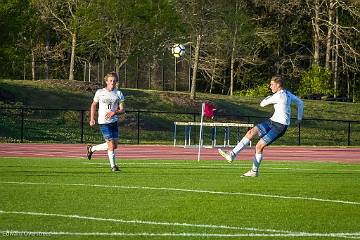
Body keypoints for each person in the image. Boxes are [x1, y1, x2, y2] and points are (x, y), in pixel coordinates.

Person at [218, 75, 304, 177]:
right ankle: (232, 154)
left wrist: (268, 97)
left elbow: (262, 104)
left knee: (259, 146)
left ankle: (254, 171)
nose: (270, 87)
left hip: (280, 127)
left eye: (272, 84)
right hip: (272, 121)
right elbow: (300, 102)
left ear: (278, 85)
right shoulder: (287, 93)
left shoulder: (278, 96)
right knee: (251, 132)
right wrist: (299, 118)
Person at [87, 71, 125, 172]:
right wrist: (92, 118)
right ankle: (113, 166)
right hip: (103, 122)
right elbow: (93, 105)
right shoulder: (100, 92)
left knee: (114, 145)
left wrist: (114, 112)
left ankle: (92, 149)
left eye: (114, 81)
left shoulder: (119, 93)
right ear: (106, 81)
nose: (112, 82)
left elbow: (122, 109)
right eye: (110, 80)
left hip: (114, 121)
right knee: (111, 145)